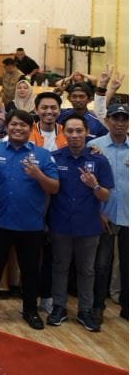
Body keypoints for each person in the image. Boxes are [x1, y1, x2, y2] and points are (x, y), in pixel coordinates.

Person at [0, 110, 60, 329]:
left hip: (30, 225)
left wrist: (38, 175)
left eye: (23, 125)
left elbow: (54, 188)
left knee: (30, 270)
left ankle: (30, 310)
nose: (18, 128)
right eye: (14, 124)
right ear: (7, 126)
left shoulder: (43, 155)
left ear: (30, 128)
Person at [46, 115, 113, 332]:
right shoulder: (55, 158)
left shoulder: (99, 160)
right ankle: (59, 307)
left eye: (79, 131)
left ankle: (85, 310)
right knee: (60, 267)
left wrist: (95, 185)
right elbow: (48, 191)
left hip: (88, 226)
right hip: (60, 224)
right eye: (70, 131)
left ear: (86, 133)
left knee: (87, 270)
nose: (74, 135)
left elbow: (105, 196)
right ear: (64, 133)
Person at [91, 103, 129, 323]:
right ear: (107, 121)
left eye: (124, 119)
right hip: (103, 215)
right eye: (116, 118)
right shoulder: (94, 146)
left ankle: (127, 305)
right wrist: (97, 211)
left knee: (127, 264)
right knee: (102, 264)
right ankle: (98, 306)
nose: (120, 123)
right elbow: (86, 184)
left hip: (128, 215)